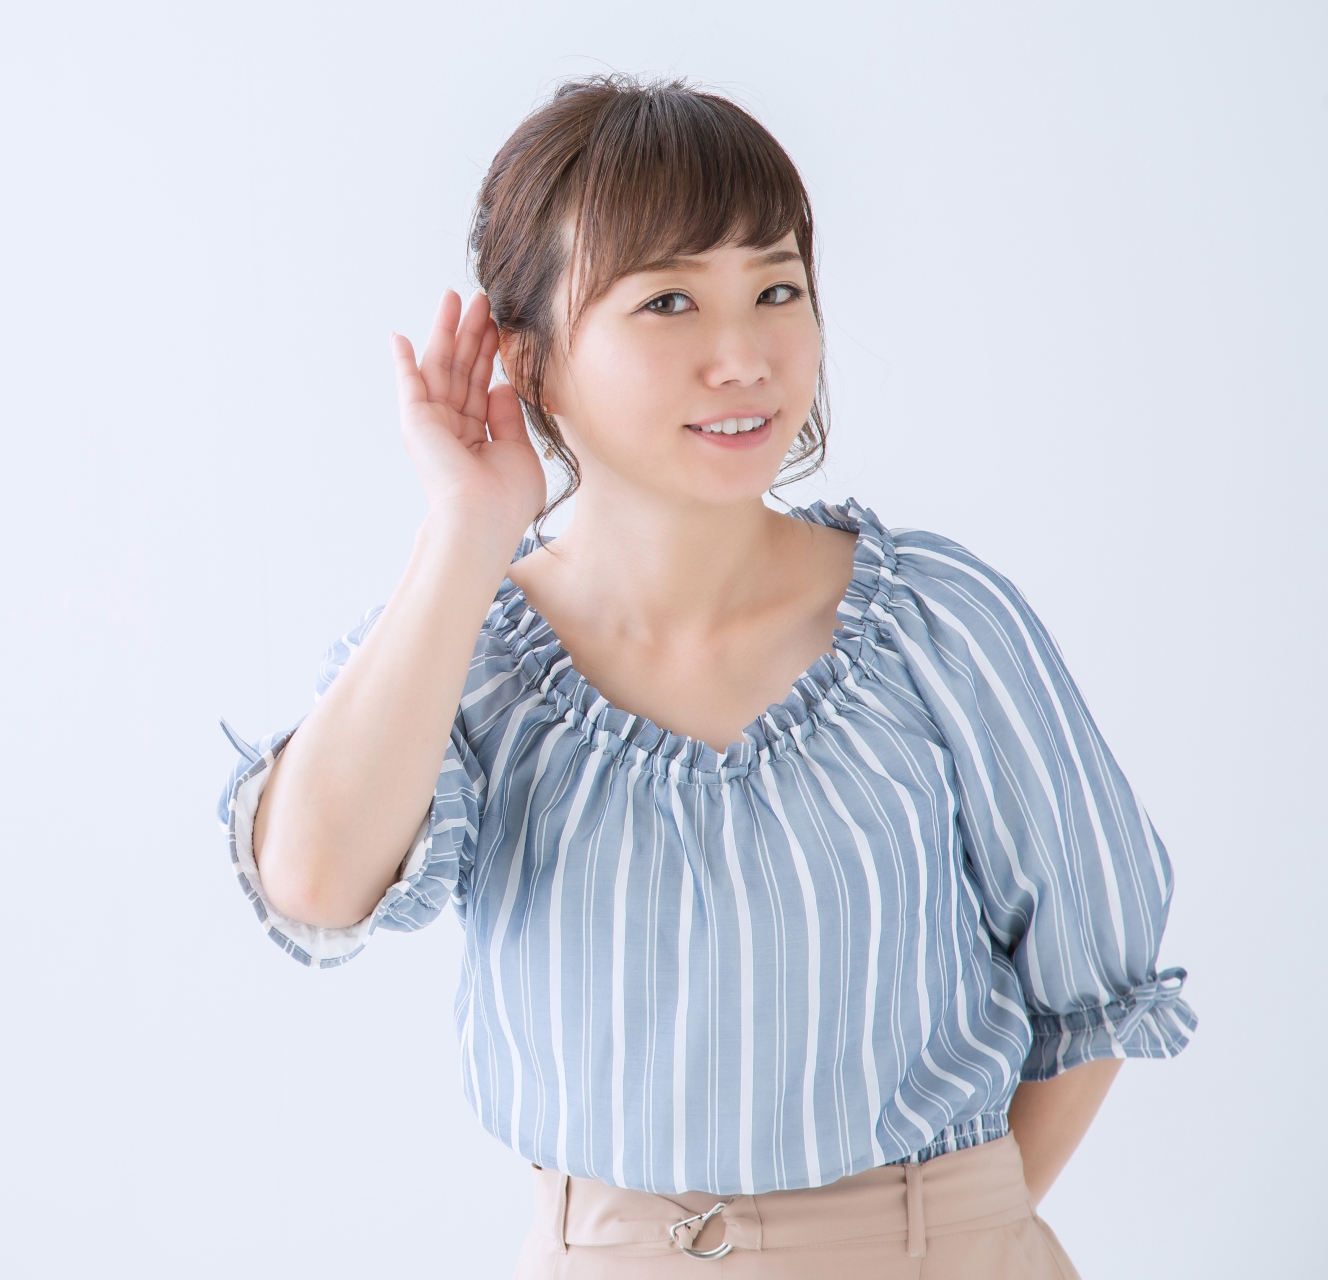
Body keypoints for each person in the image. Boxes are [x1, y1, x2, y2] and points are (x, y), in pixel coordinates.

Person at [216, 76, 1194, 1278]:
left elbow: (1097, 980)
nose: (743, 356)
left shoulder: (938, 623)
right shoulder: (465, 651)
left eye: (777, 289)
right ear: (530, 360)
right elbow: (314, 883)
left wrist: (938, 1231)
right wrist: (468, 526)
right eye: (668, 300)